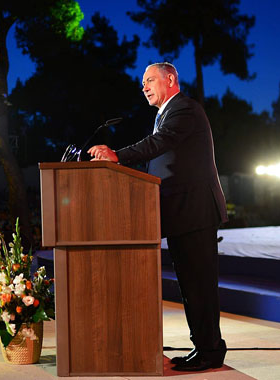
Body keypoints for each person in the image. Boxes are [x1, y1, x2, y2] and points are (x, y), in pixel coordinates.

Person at [88, 62, 228, 371]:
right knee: (191, 285)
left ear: (171, 79)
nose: (144, 87)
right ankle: (204, 346)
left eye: (150, 80)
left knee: (200, 285)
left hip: (195, 211)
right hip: (181, 213)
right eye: (142, 83)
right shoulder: (165, 114)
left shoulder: (184, 109)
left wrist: (117, 155)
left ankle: (210, 350)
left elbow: (159, 144)